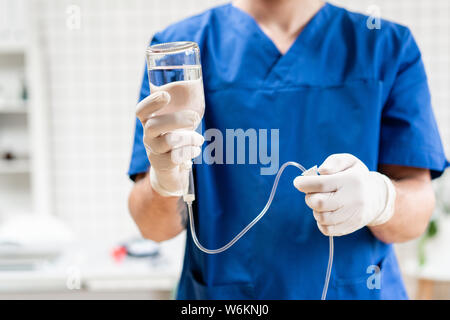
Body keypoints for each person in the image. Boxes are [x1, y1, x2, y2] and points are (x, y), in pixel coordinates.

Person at [128, 0, 448, 299]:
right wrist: (164, 183)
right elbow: (152, 227)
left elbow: (417, 212)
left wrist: (382, 199)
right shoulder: (180, 49)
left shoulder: (384, 46)